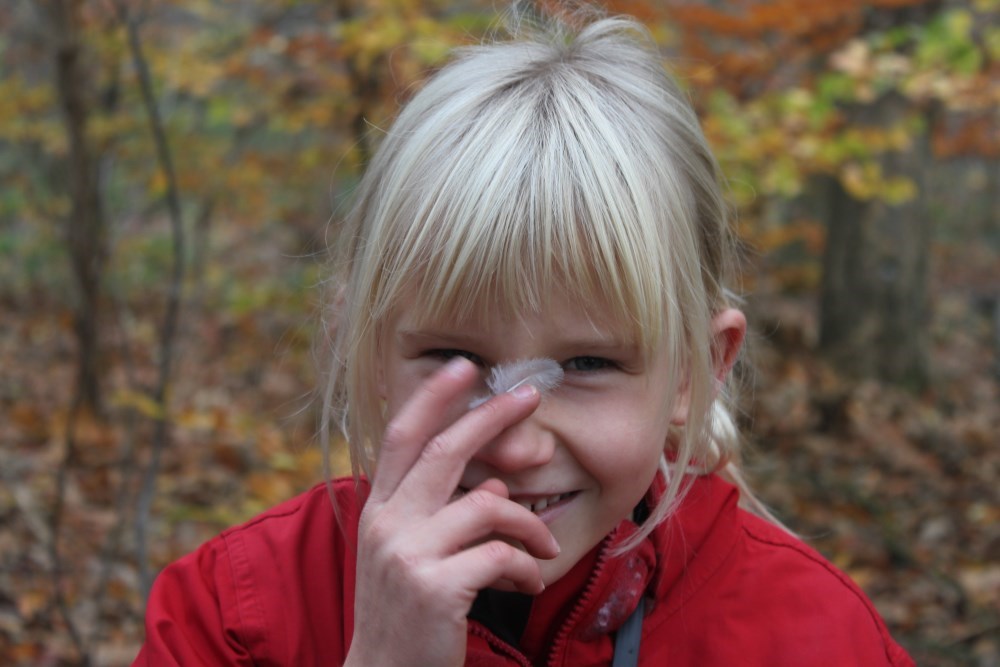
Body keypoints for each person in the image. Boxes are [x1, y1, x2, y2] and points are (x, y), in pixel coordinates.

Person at [134, 7, 915, 666]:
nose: (516, 445)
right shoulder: (232, 620)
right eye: (454, 356)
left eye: (587, 362)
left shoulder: (813, 636)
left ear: (693, 371)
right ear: (366, 351)